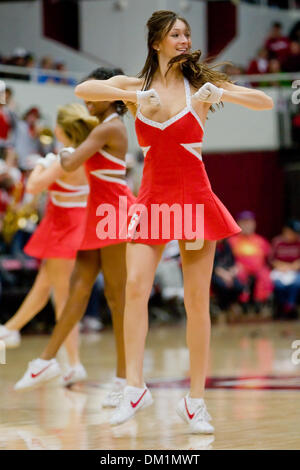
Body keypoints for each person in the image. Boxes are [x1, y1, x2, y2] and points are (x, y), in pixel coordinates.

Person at [73, 10, 273, 433]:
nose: (184, 40)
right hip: (152, 203)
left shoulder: (199, 86)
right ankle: (134, 387)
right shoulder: (136, 86)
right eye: (175, 34)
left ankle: (196, 401)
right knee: (133, 290)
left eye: (186, 33)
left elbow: (265, 100)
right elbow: (83, 88)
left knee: (196, 303)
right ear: (156, 42)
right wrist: (131, 98)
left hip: (196, 202)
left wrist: (220, 97)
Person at [14, 68, 136, 407]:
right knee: (79, 289)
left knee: (117, 298)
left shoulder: (110, 127)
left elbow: (70, 163)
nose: (85, 104)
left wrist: (59, 154)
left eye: (90, 98)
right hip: (97, 213)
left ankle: (126, 380)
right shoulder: (101, 127)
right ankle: (46, 361)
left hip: (113, 214)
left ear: (108, 96)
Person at [0, 103, 96, 385]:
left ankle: (69, 362)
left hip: (63, 228)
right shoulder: (87, 155)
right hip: (71, 225)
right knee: (46, 287)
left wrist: (41, 164)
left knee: (63, 300)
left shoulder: (65, 157)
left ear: (61, 129)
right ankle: (11, 330)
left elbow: (33, 187)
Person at [229, 211, 274, 314]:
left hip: (259, 269)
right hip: (240, 269)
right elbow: (227, 259)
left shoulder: (261, 241)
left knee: (265, 275)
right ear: (238, 224)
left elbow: (270, 258)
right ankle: (242, 304)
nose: (247, 225)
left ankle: (261, 304)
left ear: (254, 224)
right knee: (239, 276)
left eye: (249, 222)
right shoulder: (232, 241)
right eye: (244, 222)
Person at [270, 219, 300, 319]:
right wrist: (282, 266)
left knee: (296, 284)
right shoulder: (277, 242)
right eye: (292, 232)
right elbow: (271, 260)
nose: (294, 235)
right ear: (286, 231)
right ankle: (282, 307)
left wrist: (291, 267)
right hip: (280, 271)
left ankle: (290, 306)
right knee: (279, 286)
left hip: (295, 272)